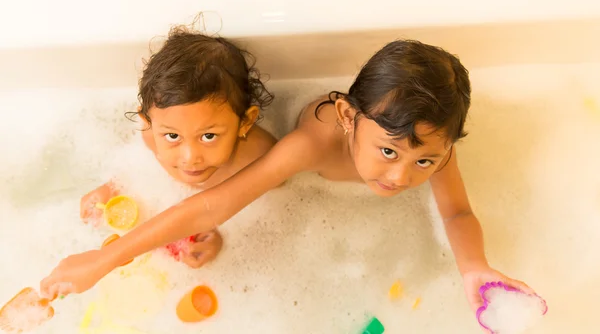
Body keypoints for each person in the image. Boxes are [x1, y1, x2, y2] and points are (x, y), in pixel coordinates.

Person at [42, 39, 534, 314]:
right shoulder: (313, 142)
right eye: (387, 151)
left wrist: (474, 268)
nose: (402, 175)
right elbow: (212, 204)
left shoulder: (426, 139)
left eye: (423, 162)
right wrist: (106, 259)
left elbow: (458, 211)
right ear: (346, 116)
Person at [78, 24, 276, 268]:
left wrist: (219, 239)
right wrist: (110, 189)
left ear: (245, 122)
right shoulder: (151, 135)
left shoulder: (258, 157)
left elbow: (258, 213)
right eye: (173, 136)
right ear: (148, 120)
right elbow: (140, 170)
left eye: (208, 136)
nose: (190, 157)